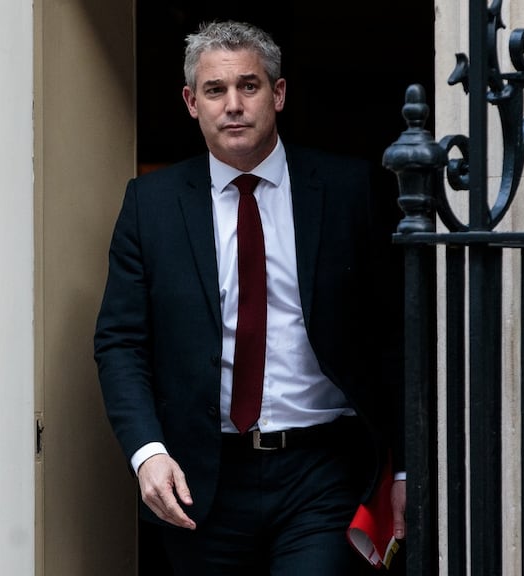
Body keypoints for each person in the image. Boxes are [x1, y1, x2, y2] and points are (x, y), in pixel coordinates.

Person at [94, 19, 405, 575]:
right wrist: (147, 453)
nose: (232, 104)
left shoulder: (347, 189)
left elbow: (393, 334)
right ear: (192, 103)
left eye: (249, 86)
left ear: (278, 94)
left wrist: (405, 468)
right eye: (215, 91)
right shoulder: (151, 204)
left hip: (322, 469)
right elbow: (121, 342)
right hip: (198, 480)